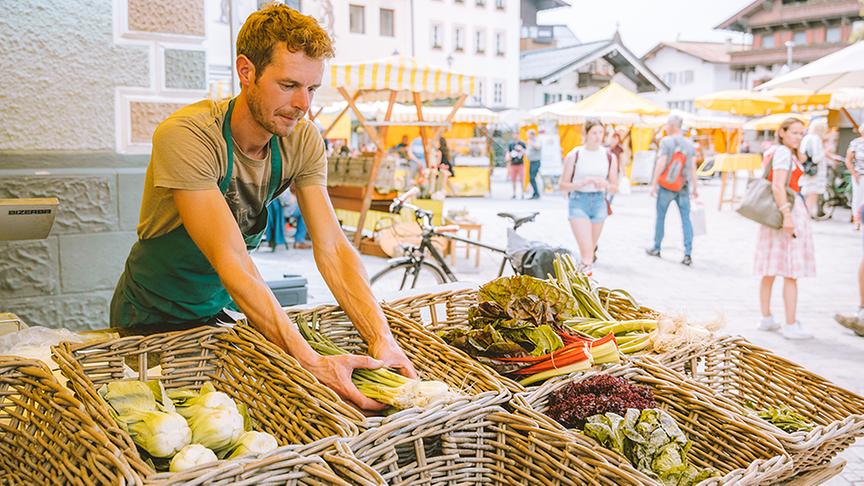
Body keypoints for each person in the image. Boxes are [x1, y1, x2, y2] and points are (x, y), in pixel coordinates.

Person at [109, 4, 416, 411]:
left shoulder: (301, 140)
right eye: (288, 84)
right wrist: (309, 360)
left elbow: (333, 250)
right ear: (246, 71)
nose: (303, 103)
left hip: (219, 310)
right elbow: (231, 256)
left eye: (312, 88)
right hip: (148, 316)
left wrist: (382, 338)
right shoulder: (187, 136)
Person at [754, 118, 815, 340]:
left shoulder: (778, 151)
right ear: (782, 132)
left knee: (770, 269)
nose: (799, 137)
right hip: (786, 212)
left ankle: (767, 318)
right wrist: (788, 215)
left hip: (776, 214)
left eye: (801, 133)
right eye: (795, 133)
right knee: (790, 272)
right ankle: (790, 323)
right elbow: (778, 185)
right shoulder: (783, 153)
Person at [558, 119, 618, 275]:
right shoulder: (575, 154)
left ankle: (581, 281)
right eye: (594, 132)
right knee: (586, 253)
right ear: (586, 133)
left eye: (600, 132)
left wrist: (604, 184)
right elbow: (563, 185)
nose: (598, 136)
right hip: (578, 201)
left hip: (599, 202)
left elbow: (614, 186)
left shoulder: (609, 156)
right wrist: (579, 184)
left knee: (590, 246)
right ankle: (586, 279)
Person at [646, 114, 698, 266]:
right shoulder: (689, 145)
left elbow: (661, 163)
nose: (665, 127)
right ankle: (688, 253)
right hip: (684, 186)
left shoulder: (666, 142)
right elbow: (693, 168)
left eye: (667, 124)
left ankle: (657, 247)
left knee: (661, 217)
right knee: (686, 220)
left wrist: (654, 183)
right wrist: (695, 187)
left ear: (672, 126)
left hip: (666, 187)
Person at [799, 119, 828, 219]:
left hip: (806, 171)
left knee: (807, 195)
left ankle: (804, 217)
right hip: (814, 173)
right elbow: (816, 158)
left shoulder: (806, 138)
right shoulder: (816, 139)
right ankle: (805, 219)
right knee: (812, 196)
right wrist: (824, 153)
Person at [845, 124, 864, 228]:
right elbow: (848, 160)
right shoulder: (856, 143)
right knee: (858, 198)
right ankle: (857, 221)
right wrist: (854, 173)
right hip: (859, 175)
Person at [526, 129, 543, 199]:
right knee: (531, 178)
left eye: (528, 135)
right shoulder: (530, 141)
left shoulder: (537, 141)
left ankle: (537, 193)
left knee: (532, 177)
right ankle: (535, 193)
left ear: (532, 135)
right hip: (531, 161)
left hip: (536, 162)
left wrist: (531, 143)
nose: (527, 136)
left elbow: (538, 147)